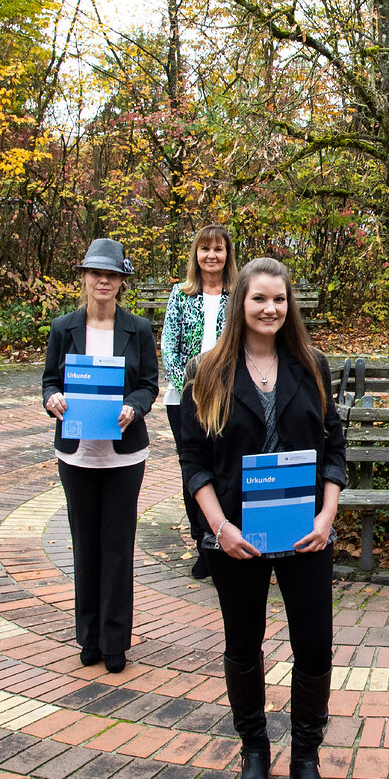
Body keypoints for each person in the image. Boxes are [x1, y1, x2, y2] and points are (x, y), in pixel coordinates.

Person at [177, 257, 345, 779]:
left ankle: (306, 757)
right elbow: (194, 459)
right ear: (240, 304)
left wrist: (326, 517)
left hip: (305, 537)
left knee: (314, 647)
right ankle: (254, 749)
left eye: (279, 299)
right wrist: (218, 527)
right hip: (238, 537)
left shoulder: (313, 366)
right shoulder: (209, 372)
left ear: (289, 304)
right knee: (244, 646)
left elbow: (334, 451)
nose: (270, 309)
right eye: (259, 299)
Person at [42, 239, 159, 674]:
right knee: (84, 546)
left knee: (117, 547)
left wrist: (136, 405)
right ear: (85, 278)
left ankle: (115, 641)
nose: (103, 281)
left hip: (124, 456)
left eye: (111, 274)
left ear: (121, 281)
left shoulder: (139, 329)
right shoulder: (63, 327)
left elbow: (149, 383)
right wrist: (52, 398)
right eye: (96, 273)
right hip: (77, 454)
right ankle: (87, 637)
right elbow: (49, 381)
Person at [161, 224, 238, 580]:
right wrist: (189, 386)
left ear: (227, 254)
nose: (211, 255)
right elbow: (168, 347)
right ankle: (202, 542)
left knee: (224, 466)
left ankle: (223, 534)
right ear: (196, 254)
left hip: (229, 395)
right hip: (185, 399)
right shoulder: (180, 293)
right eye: (204, 248)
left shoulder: (238, 294)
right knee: (194, 469)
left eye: (218, 249)